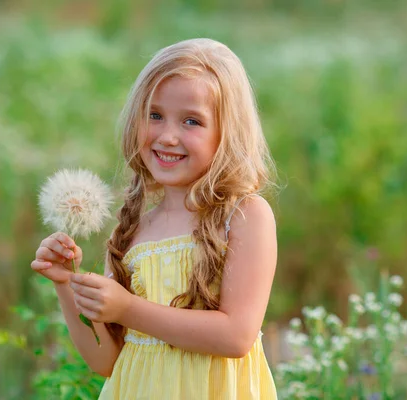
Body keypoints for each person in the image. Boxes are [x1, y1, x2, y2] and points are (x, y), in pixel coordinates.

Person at [31, 38, 278, 399]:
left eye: (192, 121)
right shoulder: (133, 230)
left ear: (227, 133)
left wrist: (128, 308)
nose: (167, 136)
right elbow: (105, 360)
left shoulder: (244, 216)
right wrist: (67, 285)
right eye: (155, 115)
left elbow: (235, 336)